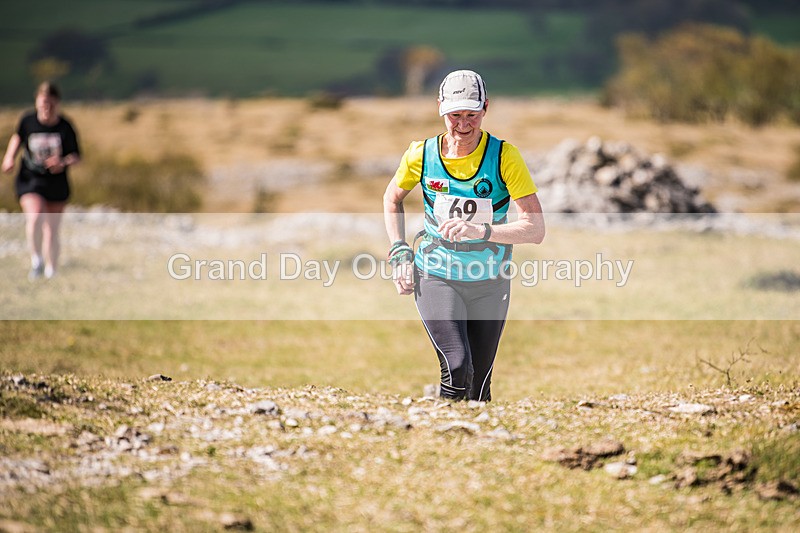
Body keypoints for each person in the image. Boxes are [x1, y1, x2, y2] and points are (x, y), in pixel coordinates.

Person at [383, 69, 545, 402]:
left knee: (479, 384)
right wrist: (399, 251)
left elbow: (535, 228)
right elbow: (392, 199)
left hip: (490, 279)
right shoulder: (421, 154)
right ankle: (447, 437)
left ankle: (475, 444)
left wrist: (482, 231)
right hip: (436, 272)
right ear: (440, 107)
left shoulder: (504, 157)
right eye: (455, 115)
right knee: (457, 366)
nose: (463, 124)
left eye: (472, 114)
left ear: (486, 107)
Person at [2, 81, 81, 280]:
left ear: (57, 103)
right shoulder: (28, 121)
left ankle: (51, 270)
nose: (46, 108)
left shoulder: (65, 126)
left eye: (50, 104)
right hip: (30, 179)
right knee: (36, 216)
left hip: (56, 182)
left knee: (52, 230)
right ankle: (36, 260)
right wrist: (9, 157)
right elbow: (18, 138)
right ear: (37, 102)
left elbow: (76, 155)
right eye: (43, 103)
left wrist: (62, 162)